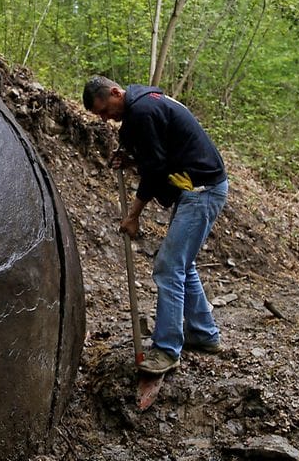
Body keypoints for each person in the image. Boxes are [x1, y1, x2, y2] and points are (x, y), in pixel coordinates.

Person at [82, 76, 229, 375]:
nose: (106, 119)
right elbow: (159, 156)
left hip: (202, 190)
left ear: (114, 92)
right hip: (198, 187)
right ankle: (203, 334)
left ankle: (166, 350)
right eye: (100, 116)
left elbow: (155, 170)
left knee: (168, 266)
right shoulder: (145, 105)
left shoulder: (144, 111)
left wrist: (133, 214)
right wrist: (132, 160)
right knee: (182, 265)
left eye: (105, 110)